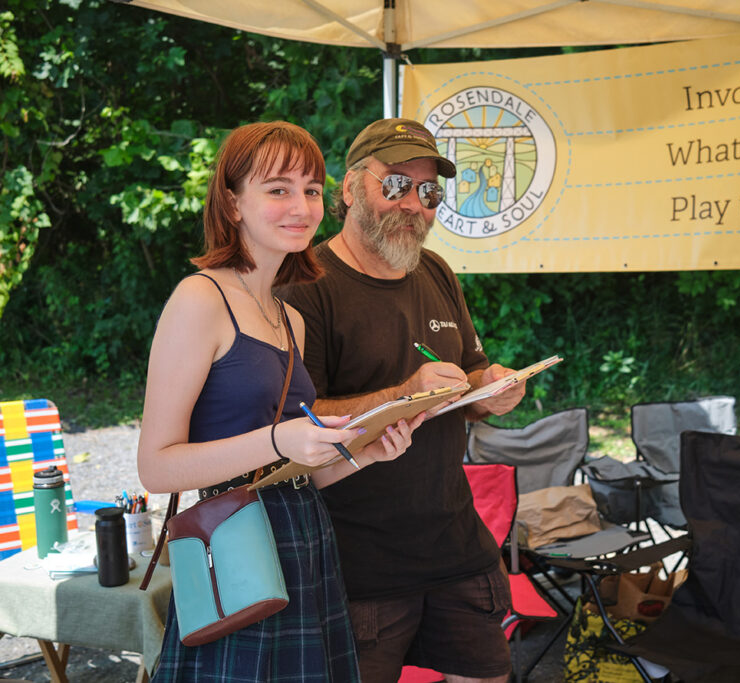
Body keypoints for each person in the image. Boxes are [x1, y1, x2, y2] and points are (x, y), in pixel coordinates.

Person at [137, 120, 422, 681]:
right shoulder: (200, 298)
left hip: (303, 545)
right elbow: (155, 466)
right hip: (236, 550)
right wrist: (276, 438)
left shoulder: (290, 316)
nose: (302, 205)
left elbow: (288, 474)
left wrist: (365, 455)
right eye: (278, 189)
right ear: (232, 202)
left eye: (312, 190)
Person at [278, 118, 527, 683]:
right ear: (348, 189)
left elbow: (467, 374)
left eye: (430, 191)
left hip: (454, 540)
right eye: (395, 184)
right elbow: (297, 429)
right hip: (356, 562)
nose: (414, 203)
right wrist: (405, 392)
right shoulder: (305, 284)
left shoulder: (435, 270)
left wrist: (494, 389)